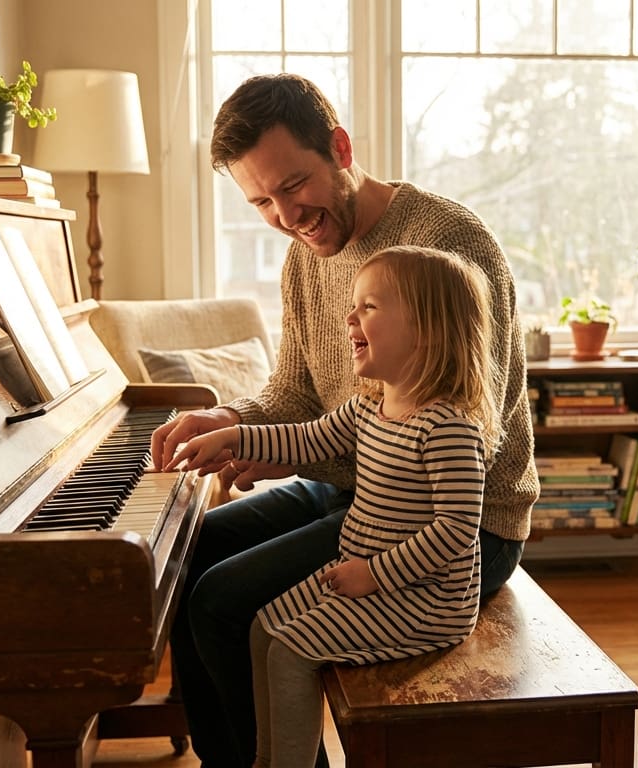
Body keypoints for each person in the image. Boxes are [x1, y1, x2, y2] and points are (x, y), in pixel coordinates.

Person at [151, 72, 539, 768]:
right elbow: (296, 395)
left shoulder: (446, 245)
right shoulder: (306, 259)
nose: (287, 216)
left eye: (294, 185)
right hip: (357, 493)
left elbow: (475, 435)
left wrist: (290, 454)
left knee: (222, 603)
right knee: (190, 554)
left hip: (452, 525)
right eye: (262, 202)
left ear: (339, 145)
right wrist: (232, 418)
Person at [166, 246, 498, 768]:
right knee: (261, 629)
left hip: (429, 599)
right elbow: (305, 439)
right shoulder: (370, 404)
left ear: (429, 329)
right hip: (371, 573)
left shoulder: (449, 428)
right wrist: (233, 436)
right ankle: (269, 758)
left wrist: (375, 573)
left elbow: (457, 530)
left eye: (369, 306)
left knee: (293, 652)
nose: (349, 318)